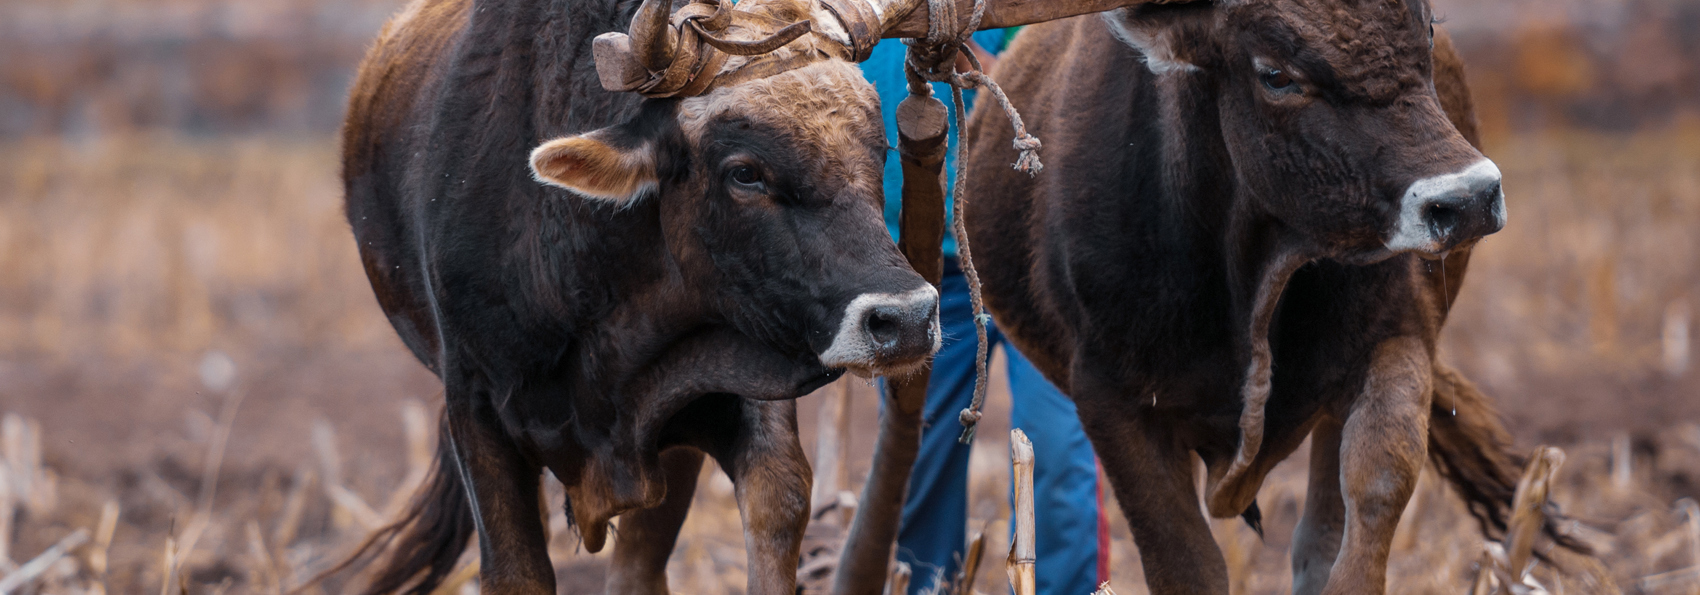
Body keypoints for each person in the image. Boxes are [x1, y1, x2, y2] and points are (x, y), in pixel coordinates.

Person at [861, 32, 1110, 595]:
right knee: (916, 456)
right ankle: (923, 586)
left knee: (1058, 454)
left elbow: (1075, 82)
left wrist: (986, 71)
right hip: (915, 258)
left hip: (1033, 254)